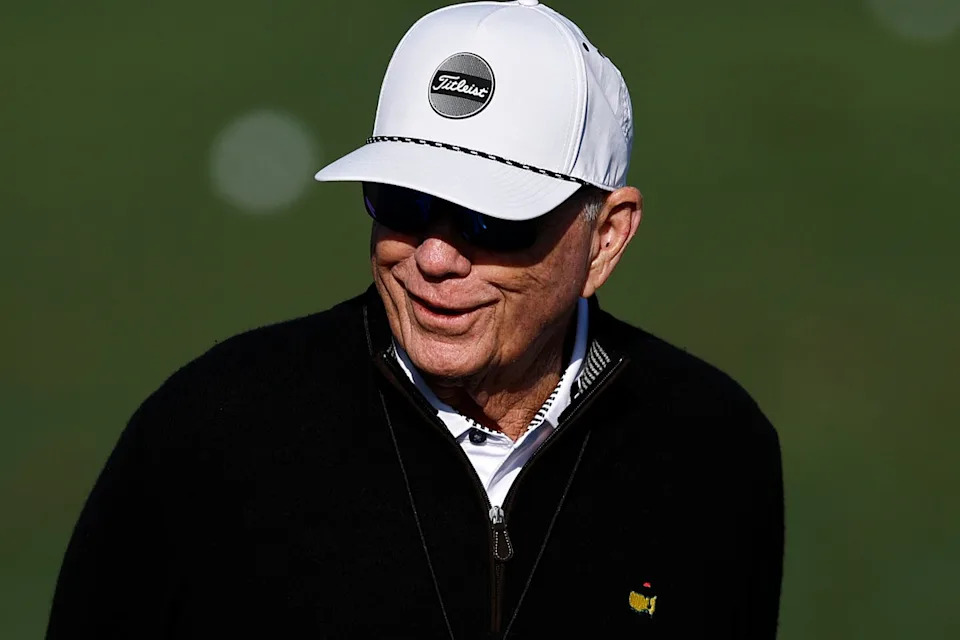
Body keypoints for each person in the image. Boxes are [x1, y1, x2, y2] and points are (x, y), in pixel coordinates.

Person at [47, 1, 783, 638]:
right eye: (403, 203)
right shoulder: (205, 437)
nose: (433, 257)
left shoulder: (713, 449)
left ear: (607, 237)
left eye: (492, 221)